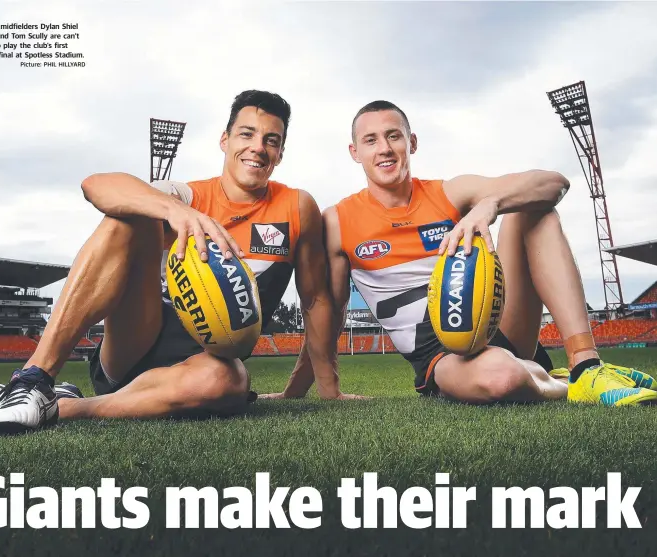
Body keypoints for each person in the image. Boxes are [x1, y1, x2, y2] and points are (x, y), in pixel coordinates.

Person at [0, 90, 362, 435]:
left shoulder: (296, 206)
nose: (258, 146)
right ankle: (34, 378)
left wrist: (323, 388)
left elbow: (315, 300)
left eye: (271, 140)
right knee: (129, 215)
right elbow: (96, 185)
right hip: (137, 343)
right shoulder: (188, 195)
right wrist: (175, 212)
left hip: (209, 362)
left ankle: (56, 407)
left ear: (280, 153)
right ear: (225, 140)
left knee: (229, 381)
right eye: (247, 133)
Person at [267, 100, 656, 406]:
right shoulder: (337, 220)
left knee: (534, 210)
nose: (384, 149)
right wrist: (307, 388)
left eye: (394, 136)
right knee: (501, 379)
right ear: (355, 151)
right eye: (371, 140)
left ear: (411, 142)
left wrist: (490, 206)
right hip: (443, 354)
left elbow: (554, 183)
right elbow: (327, 310)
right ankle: (562, 382)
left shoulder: (448, 192)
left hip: (496, 326)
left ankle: (586, 365)